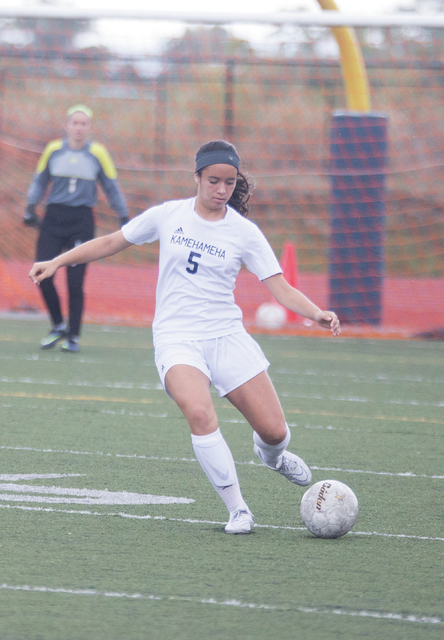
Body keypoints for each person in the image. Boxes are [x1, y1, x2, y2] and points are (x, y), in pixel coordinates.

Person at [29, 140, 341, 534]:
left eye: (229, 182)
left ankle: (275, 458)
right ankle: (238, 509)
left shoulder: (244, 232)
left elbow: (279, 286)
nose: (221, 190)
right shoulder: (168, 215)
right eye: (213, 180)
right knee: (199, 413)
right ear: (197, 177)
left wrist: (316, 312)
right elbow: (111, 242)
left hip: (226, 336)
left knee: (275, 432)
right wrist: (56, 261)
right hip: (176, 338)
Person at [24, 103, 129, 352]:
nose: (79, 128)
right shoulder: (53, 150)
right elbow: (39, 181)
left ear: (89, 127)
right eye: (75, 123)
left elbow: (111, 186)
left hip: (81, 221)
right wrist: (30, 206)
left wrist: (123, 214)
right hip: (53, 218)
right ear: (67, 125)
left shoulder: (98, 153)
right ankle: (58, 325)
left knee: (75, 281)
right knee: (42, 274)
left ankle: (73, 336)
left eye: (84, 124)